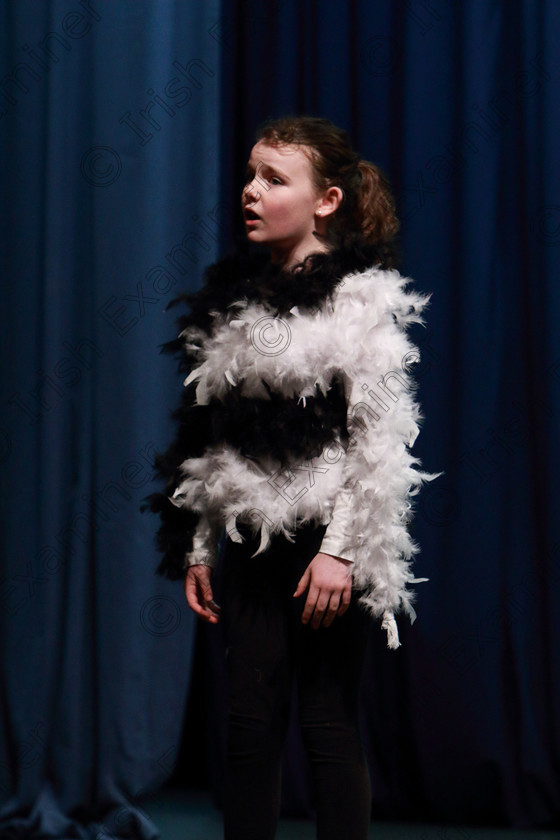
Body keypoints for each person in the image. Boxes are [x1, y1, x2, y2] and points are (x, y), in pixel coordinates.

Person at [147, 116, 439, 840]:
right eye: (250, 175)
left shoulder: (360, 305)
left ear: (328, 201)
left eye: (274, 179)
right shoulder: (231, 304)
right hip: (249, 538)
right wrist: (198, 546)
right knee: (248, 728)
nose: (250, 191)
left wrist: (340, 551)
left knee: (328, 725)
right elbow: (210, 439)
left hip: (326, 542)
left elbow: (376, 443)